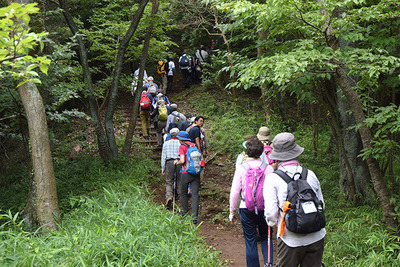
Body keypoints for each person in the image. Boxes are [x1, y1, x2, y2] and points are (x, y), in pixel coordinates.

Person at [263, 132, 326, 267]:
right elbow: (322, 205)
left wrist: (273, 222)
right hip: (316, 236)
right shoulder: (310, 174)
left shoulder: (272, 179)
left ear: (277, 156)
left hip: (290, 238)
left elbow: (271, 214)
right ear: (296, 152)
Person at [229, 138, 275, 267]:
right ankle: (268, 263)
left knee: (250, 240)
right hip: (265, 209)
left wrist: (232, 211)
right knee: (266, 238)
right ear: (261, 153)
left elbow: (235, 192)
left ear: (246, 152)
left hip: (245, 208)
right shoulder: (268, 169)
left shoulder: (241, 169)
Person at [174, 131, 201, 224]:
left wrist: (176, 162)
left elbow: (182, 160)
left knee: (184, 193)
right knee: (195, 195)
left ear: (181, 138)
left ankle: (184, 213)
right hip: (196, 173)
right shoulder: (194, 146)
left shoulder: (182, 146)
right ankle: (194, 218)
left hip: (186, 173)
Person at [161, 128, 181, 209]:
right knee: (179, 180)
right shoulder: (181, 143)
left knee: (169, 181)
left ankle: (169, 196)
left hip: (169, 162)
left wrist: (163, 168)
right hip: (179, 162)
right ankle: (180, 199)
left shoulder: (166, 143)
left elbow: (163, 156)